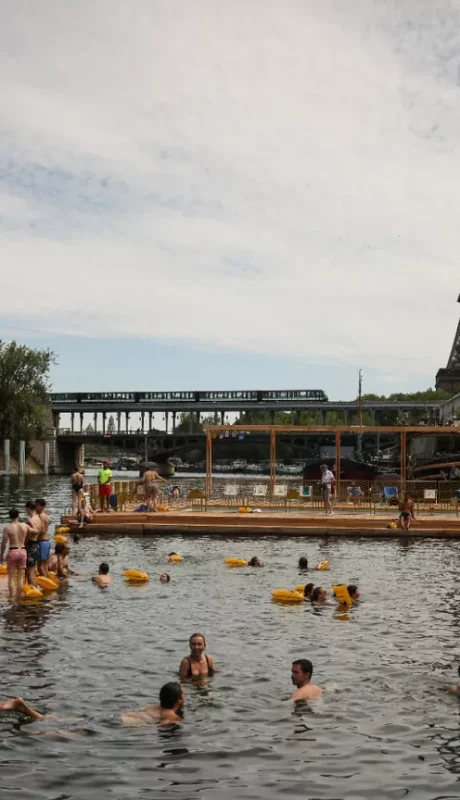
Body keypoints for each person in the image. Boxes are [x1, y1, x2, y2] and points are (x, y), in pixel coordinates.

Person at [0, 509, 28, 600]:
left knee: (11, 577)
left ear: (9, 516)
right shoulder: (24, 526)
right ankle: (18, 598)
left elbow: (4, 543)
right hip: (23, 551)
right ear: (18, 515)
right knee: (20, 577)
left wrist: (1, 555)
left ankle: (12, 597)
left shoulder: (7, 528)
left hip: (13, 551)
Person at [24, 501, 41, 587]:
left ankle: (33, 593)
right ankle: (35, 590)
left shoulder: (30, 520)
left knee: (29, 572)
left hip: (30, 545)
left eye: (26, 509)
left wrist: (23, 544)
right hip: (36, 544)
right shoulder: (38, 518)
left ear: (28, 508)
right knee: (32, 571)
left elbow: (28, 534)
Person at [36, 499, 51, 578]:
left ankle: (46, 585)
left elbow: (42, 530)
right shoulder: (45, 515)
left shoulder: (41, 516)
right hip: (46, 541)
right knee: (45, 566)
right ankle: (48, 582)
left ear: (41, 506)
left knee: (40, 567)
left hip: (42, 542)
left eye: (36, 506)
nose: (35, 508)